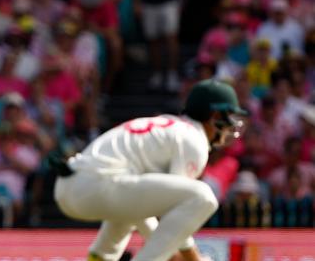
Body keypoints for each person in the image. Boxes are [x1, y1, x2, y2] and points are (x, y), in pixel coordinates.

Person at [53, 79, 247, 261]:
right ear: (215, 116)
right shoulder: (194, 140)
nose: (231, 124)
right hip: (96, 184)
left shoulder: (169, 126)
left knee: (128, 209)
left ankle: (100, 257)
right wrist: (191, 258)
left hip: (69, 185)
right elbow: (171, 211)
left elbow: (144, 208)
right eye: (229, 116)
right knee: (204, 197)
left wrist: (174, 254)